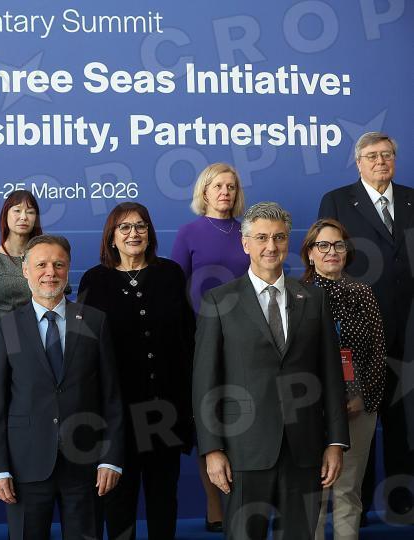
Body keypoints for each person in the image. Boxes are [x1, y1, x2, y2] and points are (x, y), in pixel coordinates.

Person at [193, 202, 349, 539]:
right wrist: (212, 449)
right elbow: (205, 383)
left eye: (279, 237)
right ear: (245, 244)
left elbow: (331, 376)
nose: (271, 246)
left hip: (305, 450)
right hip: (243, 451)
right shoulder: (218, 301)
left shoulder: (314, 299)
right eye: (261, 237)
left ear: (287, 242)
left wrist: (336, 441)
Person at [0, 234, 125, 539]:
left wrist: (111, 459)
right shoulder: (8, 327)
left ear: (68, 268)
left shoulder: (94, 321)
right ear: (25, 271)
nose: (50, 272)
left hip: (86, 465)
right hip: (25, 466)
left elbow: (112, 398)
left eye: (58, 265)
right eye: (41, 265)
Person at [79, 203, 194, 540]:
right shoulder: (94, 280)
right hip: (117, 415)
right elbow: (84, 350)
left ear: (150, 233)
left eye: (141, 226)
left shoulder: (170, 274)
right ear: (111, 237)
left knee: (163, 498)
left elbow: (187, 338)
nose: (134, 233)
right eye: (125, 227)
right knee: (118, 502)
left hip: (166, 410)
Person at [318, 131, 414, 519]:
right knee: (358, 417)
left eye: (386, 154)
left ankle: (401, 502)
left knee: (404, 419)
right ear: (358, 162)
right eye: (372, 156)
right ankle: (355, 505)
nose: (380, 161)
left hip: (408, 330)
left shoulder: (411, 199)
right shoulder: (338, 200)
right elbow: (325, 261)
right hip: (356, 330)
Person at [170, 163, 249, 532]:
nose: (225, 192)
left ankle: (244, 501)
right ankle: (215, 506)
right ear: (204, 192)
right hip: (200, 337)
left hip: (247, 337)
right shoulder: (189, 232)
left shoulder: (249, 231)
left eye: (231, 186)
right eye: (218, 186)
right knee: (208, 420)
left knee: (243, 416)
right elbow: (175, 288)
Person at [298, 219, 386, 540]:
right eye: (323, 245)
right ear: (310, 254)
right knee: (314, 496)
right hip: (311, 410)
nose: (331, 251)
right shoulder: (296, 296)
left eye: (339, 245)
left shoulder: (363, 293)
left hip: (357, 408)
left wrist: (362, 397)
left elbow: (378, 353)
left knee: (348, 492)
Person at [0, 189, 43, 315]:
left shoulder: (46, 257)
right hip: (3, 326)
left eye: (30, 212)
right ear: (5, 215)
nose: (23, 217)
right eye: (17, 210)